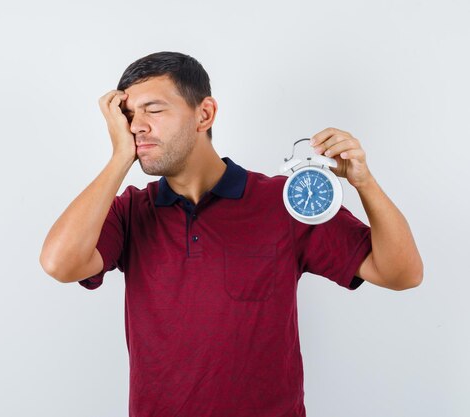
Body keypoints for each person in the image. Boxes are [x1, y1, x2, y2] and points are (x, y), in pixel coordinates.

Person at [39, 51, 423, 417]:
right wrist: (120, 157)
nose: (137, 125)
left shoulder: (283, 201)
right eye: (127, 116)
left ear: (204, 114)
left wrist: (364, 182)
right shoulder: (131, 211)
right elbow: (59, 263)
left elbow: (401, 273)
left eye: (153, 109)